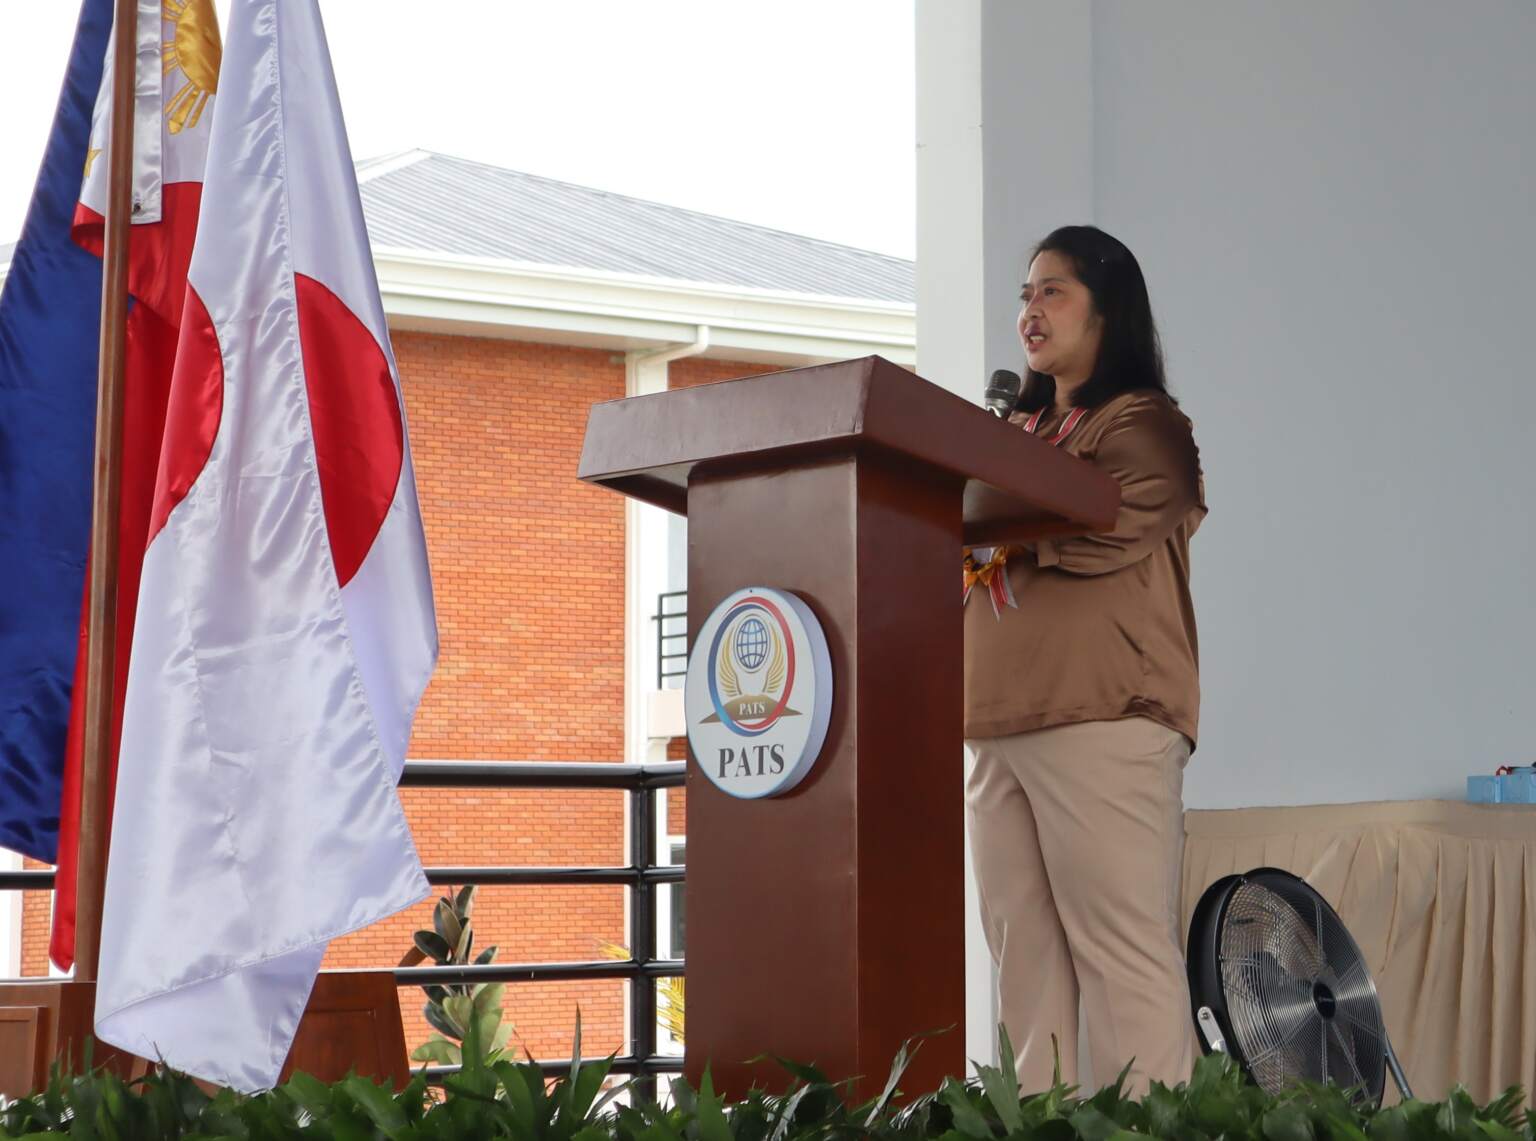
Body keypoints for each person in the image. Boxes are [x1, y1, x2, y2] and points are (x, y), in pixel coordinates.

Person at [963, 225, 1206, 1096]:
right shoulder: (1016, 429)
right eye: (1025, 294)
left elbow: (1123, 509)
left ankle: (1152, 1122)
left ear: (1109, 310)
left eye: (1053, 291)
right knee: (1023, 962)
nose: (1030, 309)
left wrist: (1004, 521)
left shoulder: (1141, 421)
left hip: (1105, 715)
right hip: (995, 723)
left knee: (1121, 954)